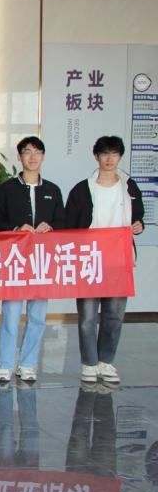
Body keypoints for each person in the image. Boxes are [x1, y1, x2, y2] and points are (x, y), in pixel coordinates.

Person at [64, 135, 145, 384]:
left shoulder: (129, 187)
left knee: (114, 315)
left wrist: (139, 225)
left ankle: (106, 361)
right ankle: (89, 363)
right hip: (90, 259)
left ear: (120, 157)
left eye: (114, 154)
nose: (110, 159)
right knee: (88, 316)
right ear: (96, 157)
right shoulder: (82, 189)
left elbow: (139, 216)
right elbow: (69, 224)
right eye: (104, 154)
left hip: (119, 259)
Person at [0, 136, 65, 383]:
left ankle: (28, 364)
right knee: (11, 314)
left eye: (37, 152)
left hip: (42, 261)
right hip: (15, 260)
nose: (32, 157)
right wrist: (15, 228)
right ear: (19, 156)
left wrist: (51, 226)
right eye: (27, 152)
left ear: (43, 156)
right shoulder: (7, 189)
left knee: (38, 316)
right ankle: (5, 364)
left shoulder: (53, 190)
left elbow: (63, 221)